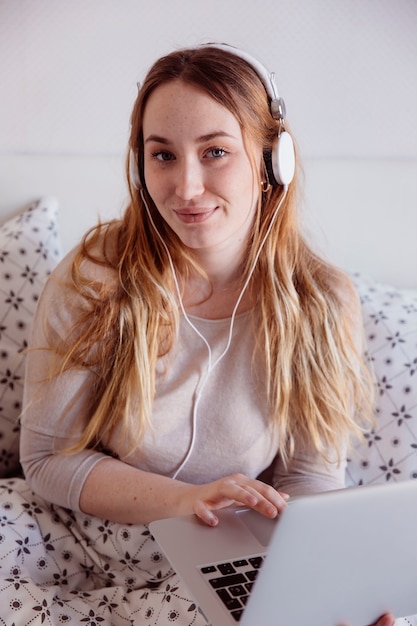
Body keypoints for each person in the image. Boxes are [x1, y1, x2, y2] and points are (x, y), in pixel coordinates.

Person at [0, 43, 401, 625]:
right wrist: (182, 500)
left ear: (272, 163)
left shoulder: (322, 301)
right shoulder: (95, 278)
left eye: (215, 152)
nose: (186, 188)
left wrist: (328, 583)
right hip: (83, 531)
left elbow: (309, 477)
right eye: (162, 155)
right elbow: (45, 459)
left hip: (229, 549)